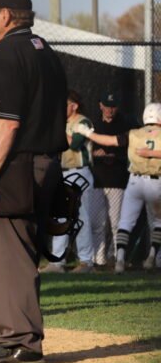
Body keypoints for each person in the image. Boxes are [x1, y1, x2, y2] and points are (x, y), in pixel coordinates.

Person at [0, 0, 68, 363]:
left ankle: (20, 342)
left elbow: (8, 123)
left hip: (12, 165)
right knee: (21, 253)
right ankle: (10, 336)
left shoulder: (4, 54)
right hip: (45, 163)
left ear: (6, 15)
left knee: (5, 255)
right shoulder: (46, 52)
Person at [76, 102, 161, 273]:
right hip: (156, 181)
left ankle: (120, 259)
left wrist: (88, 133)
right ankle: (153, 255)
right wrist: (151, 154)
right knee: (158, 222)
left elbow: (110, 141)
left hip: (135, 181)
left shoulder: (134, 133)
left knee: (125, 222)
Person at [41, 90, 95, 274]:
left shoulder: (82, 122)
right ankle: (57, 261)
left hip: (79, 172)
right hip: (61, 172)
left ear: (74, 106)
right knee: (60, 216)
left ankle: (86, 261)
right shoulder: (60, 123)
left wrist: (56, 128)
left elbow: (74, 144)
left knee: (81, 216)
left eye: (64, 105)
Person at [89, 92, 140, 265]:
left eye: (113, 106)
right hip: (97, 179)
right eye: (106, 106)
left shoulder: (125, 124)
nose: (110, 110)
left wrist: (115, 156)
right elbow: (85, 149)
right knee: (97, 222)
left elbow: (130, 148)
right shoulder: (93, 125)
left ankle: (116, 257)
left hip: (117, 179)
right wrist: (94, 154)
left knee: (116, 222)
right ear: (100, 105)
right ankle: (98, 258)